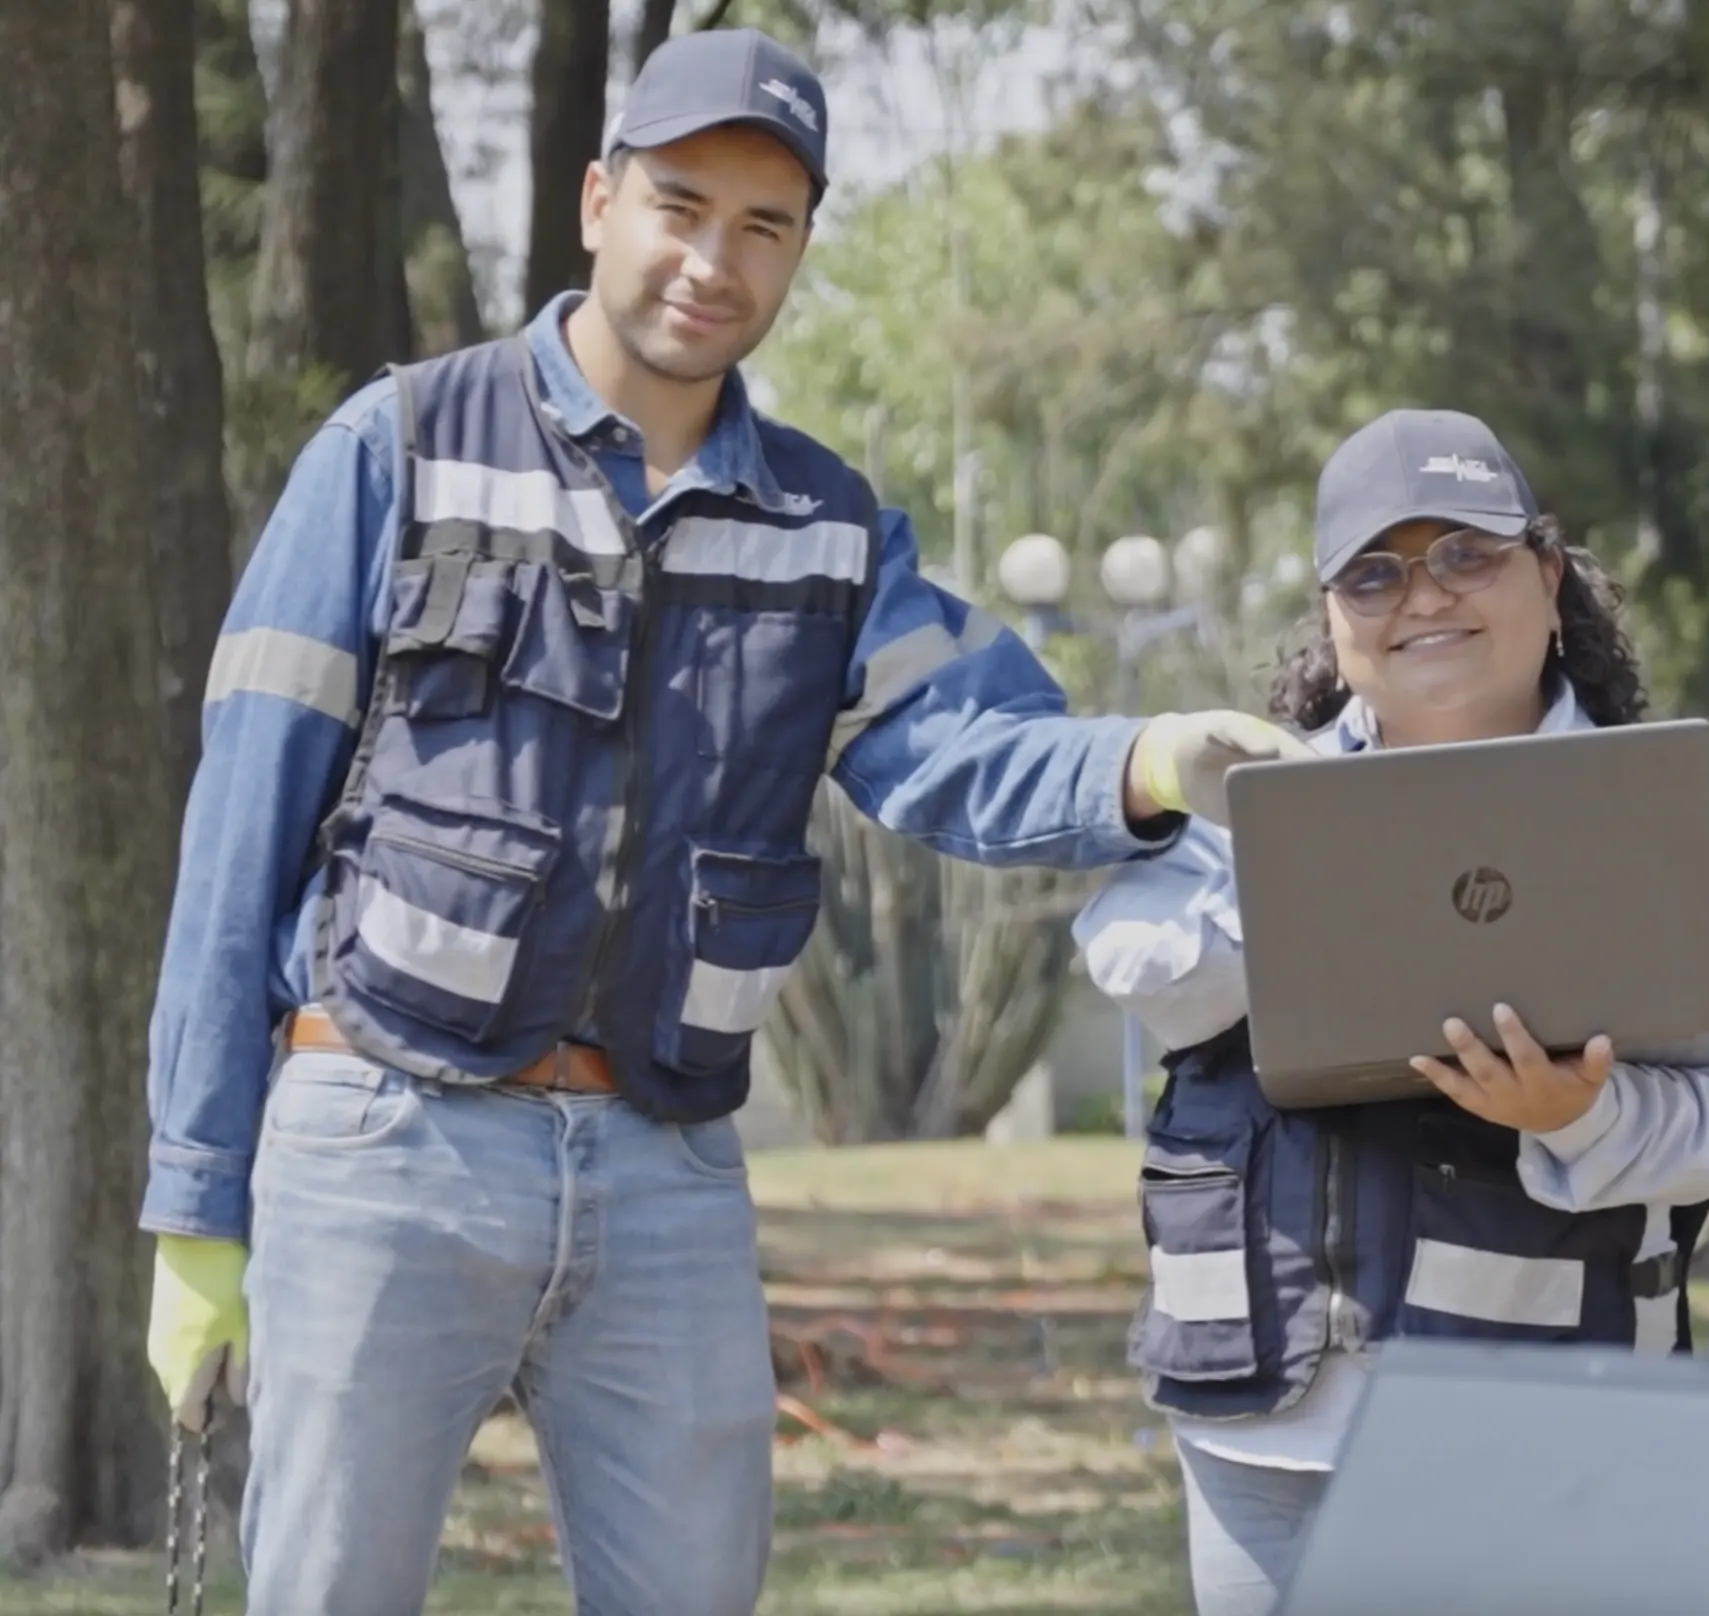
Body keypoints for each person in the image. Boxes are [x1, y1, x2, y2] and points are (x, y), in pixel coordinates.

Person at [136, 30, 1303, 1614]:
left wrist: (1156, 757)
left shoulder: (824, 530)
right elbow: (239, 833)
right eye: (682, 205)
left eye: (765, 227)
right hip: (384, 1141)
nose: (713, 260)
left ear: (801, 252)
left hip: (666, 1172)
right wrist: (197, 1205)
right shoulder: (398, 448)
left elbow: (963, 747)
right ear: (599, 200)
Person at [1072, 408, 1709, 1616]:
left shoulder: (1650, 830)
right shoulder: (1238, 793)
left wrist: (1585, 1115)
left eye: (1468, 552)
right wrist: (1311, 870)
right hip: (1261, 1433)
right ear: (1334, 620)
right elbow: (1132, 959)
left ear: (1549, 580)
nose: (1425, 596)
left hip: (1533, 1421)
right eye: (1375, 571)